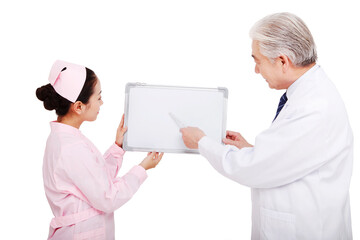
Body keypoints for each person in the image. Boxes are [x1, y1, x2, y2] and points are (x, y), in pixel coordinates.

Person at [180, 12, 353, 239]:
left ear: (282, 61)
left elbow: (250, 169)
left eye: (257, 60)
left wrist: (201, 142)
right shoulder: (310, 94)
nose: (256, 70)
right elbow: (292, 155)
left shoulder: (314, 106)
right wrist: (250, 149)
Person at [36, 60, 164, 240]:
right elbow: (108, 197)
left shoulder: (65, 139)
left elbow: (95, 180)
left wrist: (117, 148)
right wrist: (142, 168)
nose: (101, 103)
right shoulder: (71, 147)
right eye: (98, 97)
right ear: (79, 106)